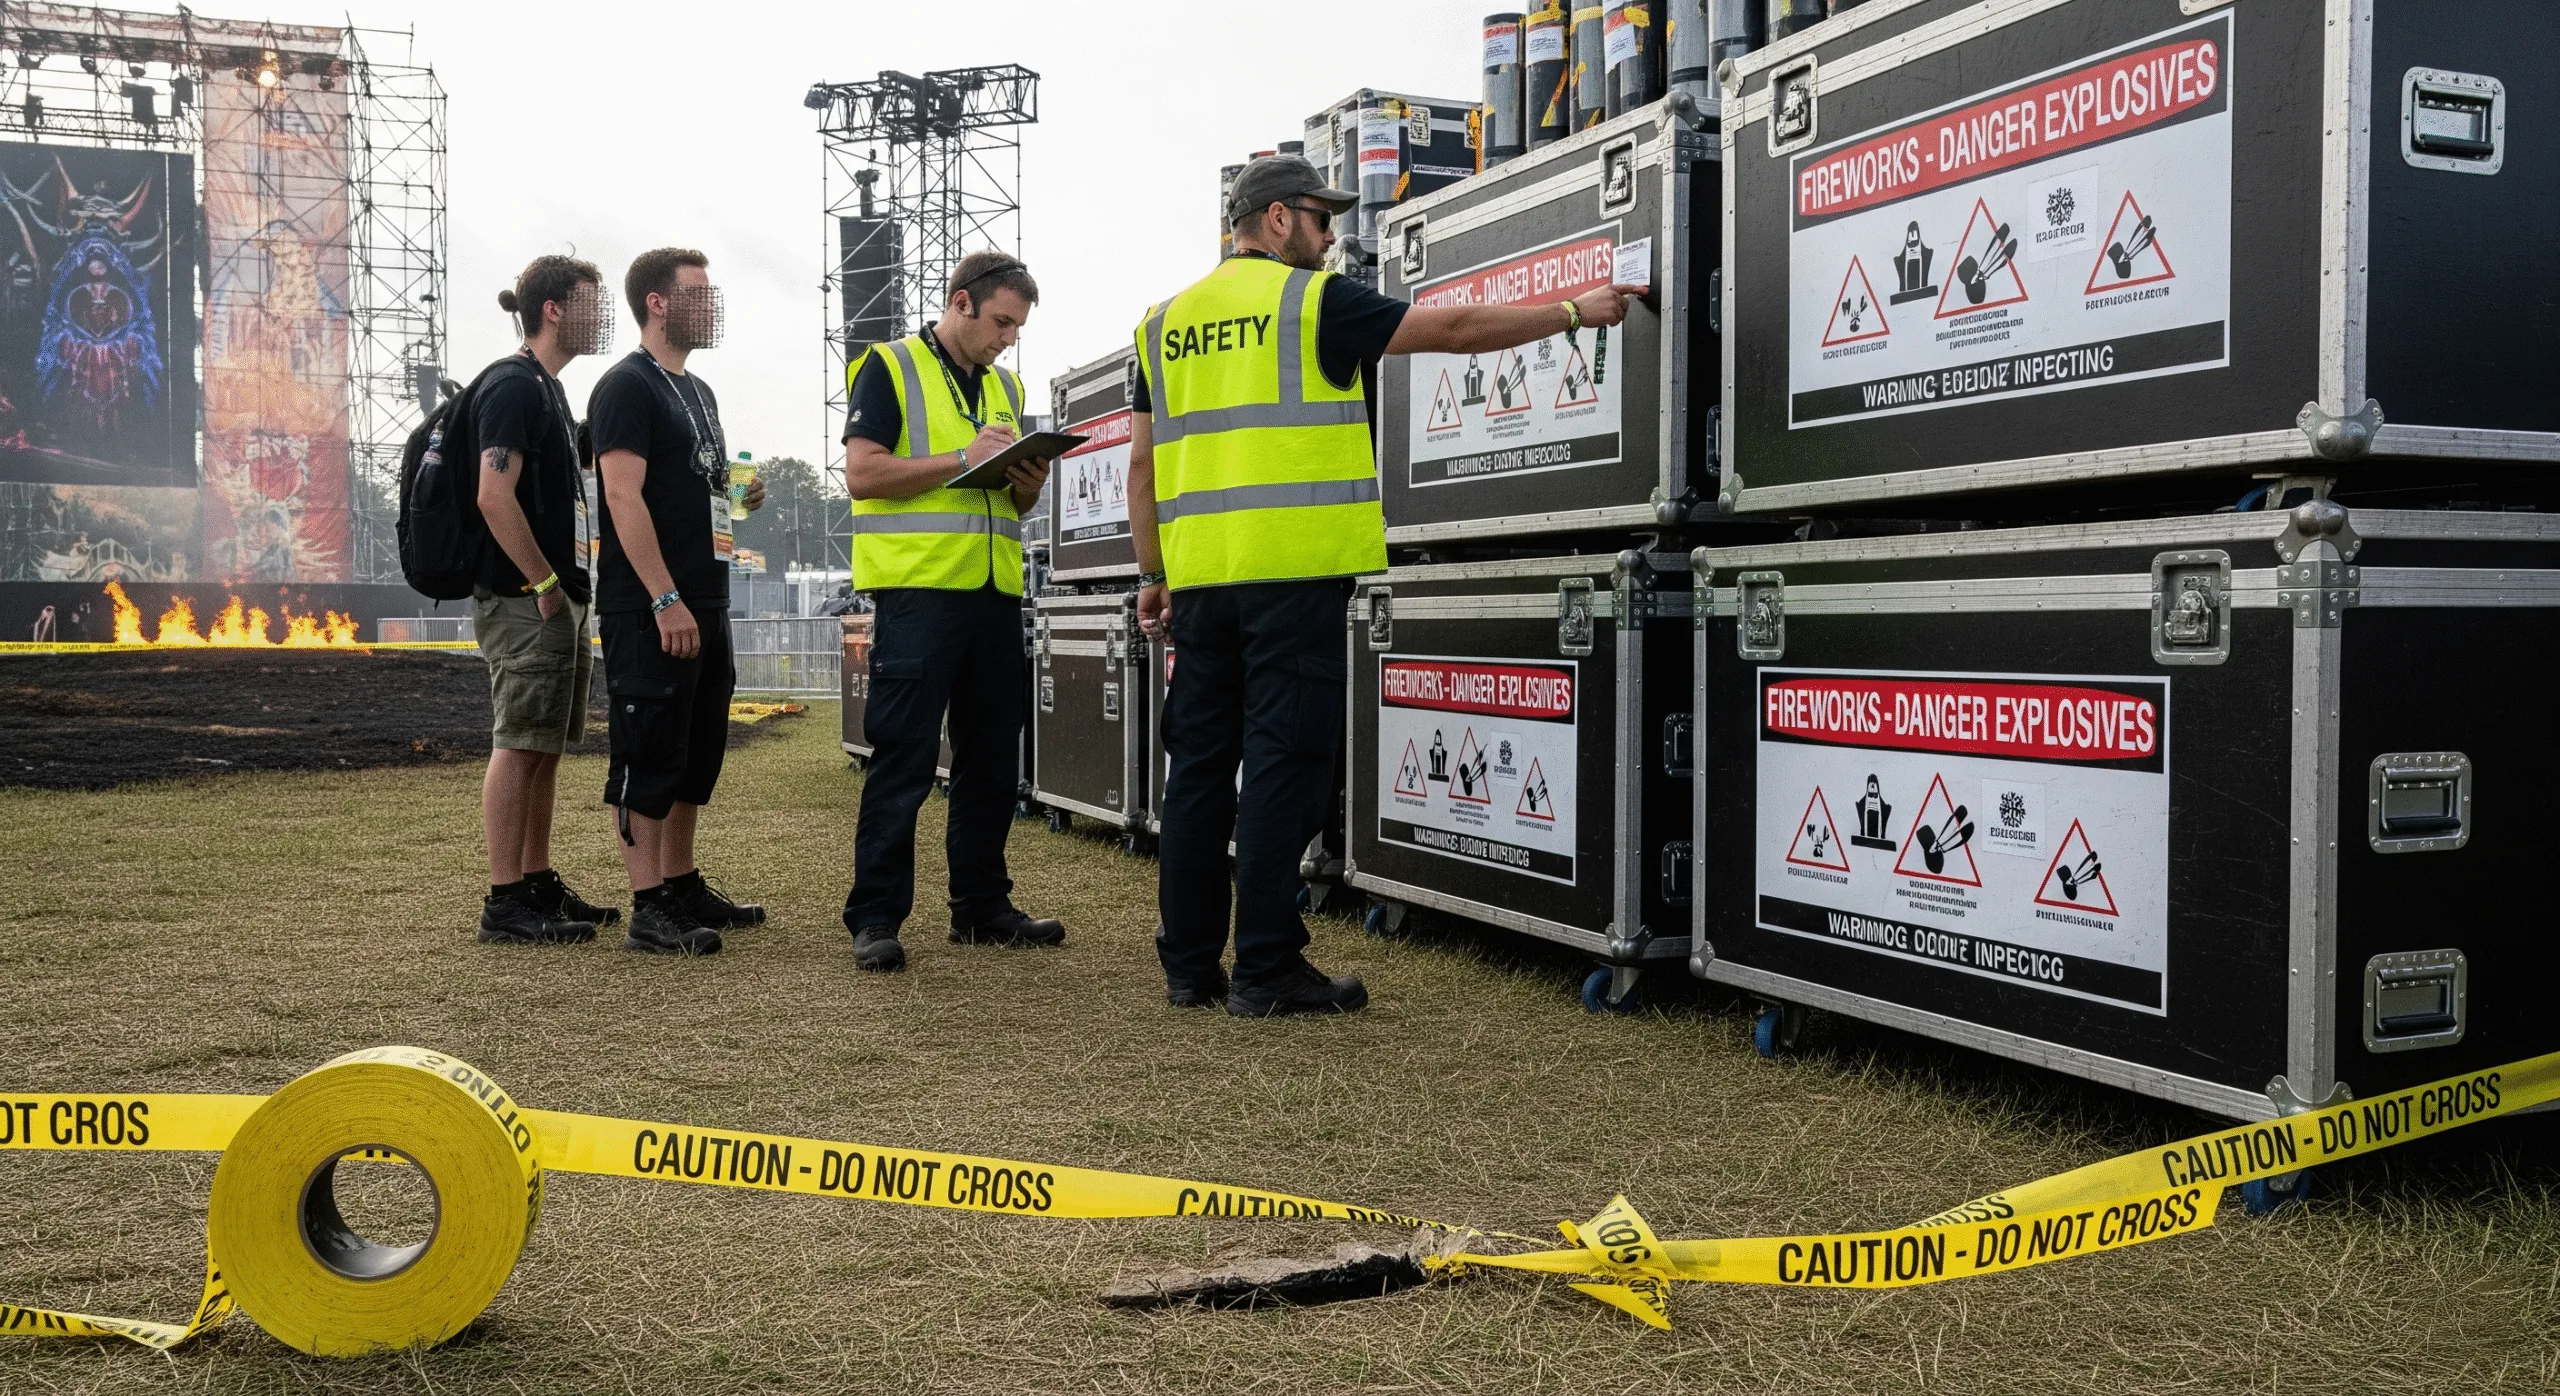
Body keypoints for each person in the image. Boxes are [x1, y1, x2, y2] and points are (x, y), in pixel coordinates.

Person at [1128, 154, 1635, 1015]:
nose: (1331, 237)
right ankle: (1266, 969)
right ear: (1279, 219)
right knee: (1283, 770)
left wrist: (1153, 575)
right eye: (1322, 220)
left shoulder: (1161, 324)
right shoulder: (1310, 302)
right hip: (1294, 577)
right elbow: (1455, 330)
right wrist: (1570, 312)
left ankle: (1188, 967)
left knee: (1201, 774)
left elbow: (1142, 467)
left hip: (1202, 584)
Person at [838, 250, 1064, 973]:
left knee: (993, 759)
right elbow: (863, 474)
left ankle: (981, 906)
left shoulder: (1005, 386)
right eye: (1001, 322)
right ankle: (876, 918)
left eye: (1018, 327)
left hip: (994, 596)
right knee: (903, 759)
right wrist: (962, 460)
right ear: (961, 302)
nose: (1009, 339)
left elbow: (1014, 505)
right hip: (919, 595)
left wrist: (1028, 480)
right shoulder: (890, 366)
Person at [589, 247, 768, 956]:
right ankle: (648, 905)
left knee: (696, 751)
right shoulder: (626, 386)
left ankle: (681, 881)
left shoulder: (698, 391)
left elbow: (699, 487)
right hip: (651, 605)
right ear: (656, 303)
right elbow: (622, 495)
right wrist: (664, 597)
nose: (710, 304)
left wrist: (741, 494)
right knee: (650, 750)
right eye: (697, 293)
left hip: (707, 596)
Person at [474, 254, 618, 946]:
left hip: (555, 597)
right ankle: (505, 900)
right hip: (526, 598)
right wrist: (543, 582)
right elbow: (492, 495)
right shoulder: (513, 385)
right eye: (591, 302)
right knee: (518, 742)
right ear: (554, 310)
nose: (602, 316)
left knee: (545, 745)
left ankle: (534, 880)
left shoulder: (547, 389)